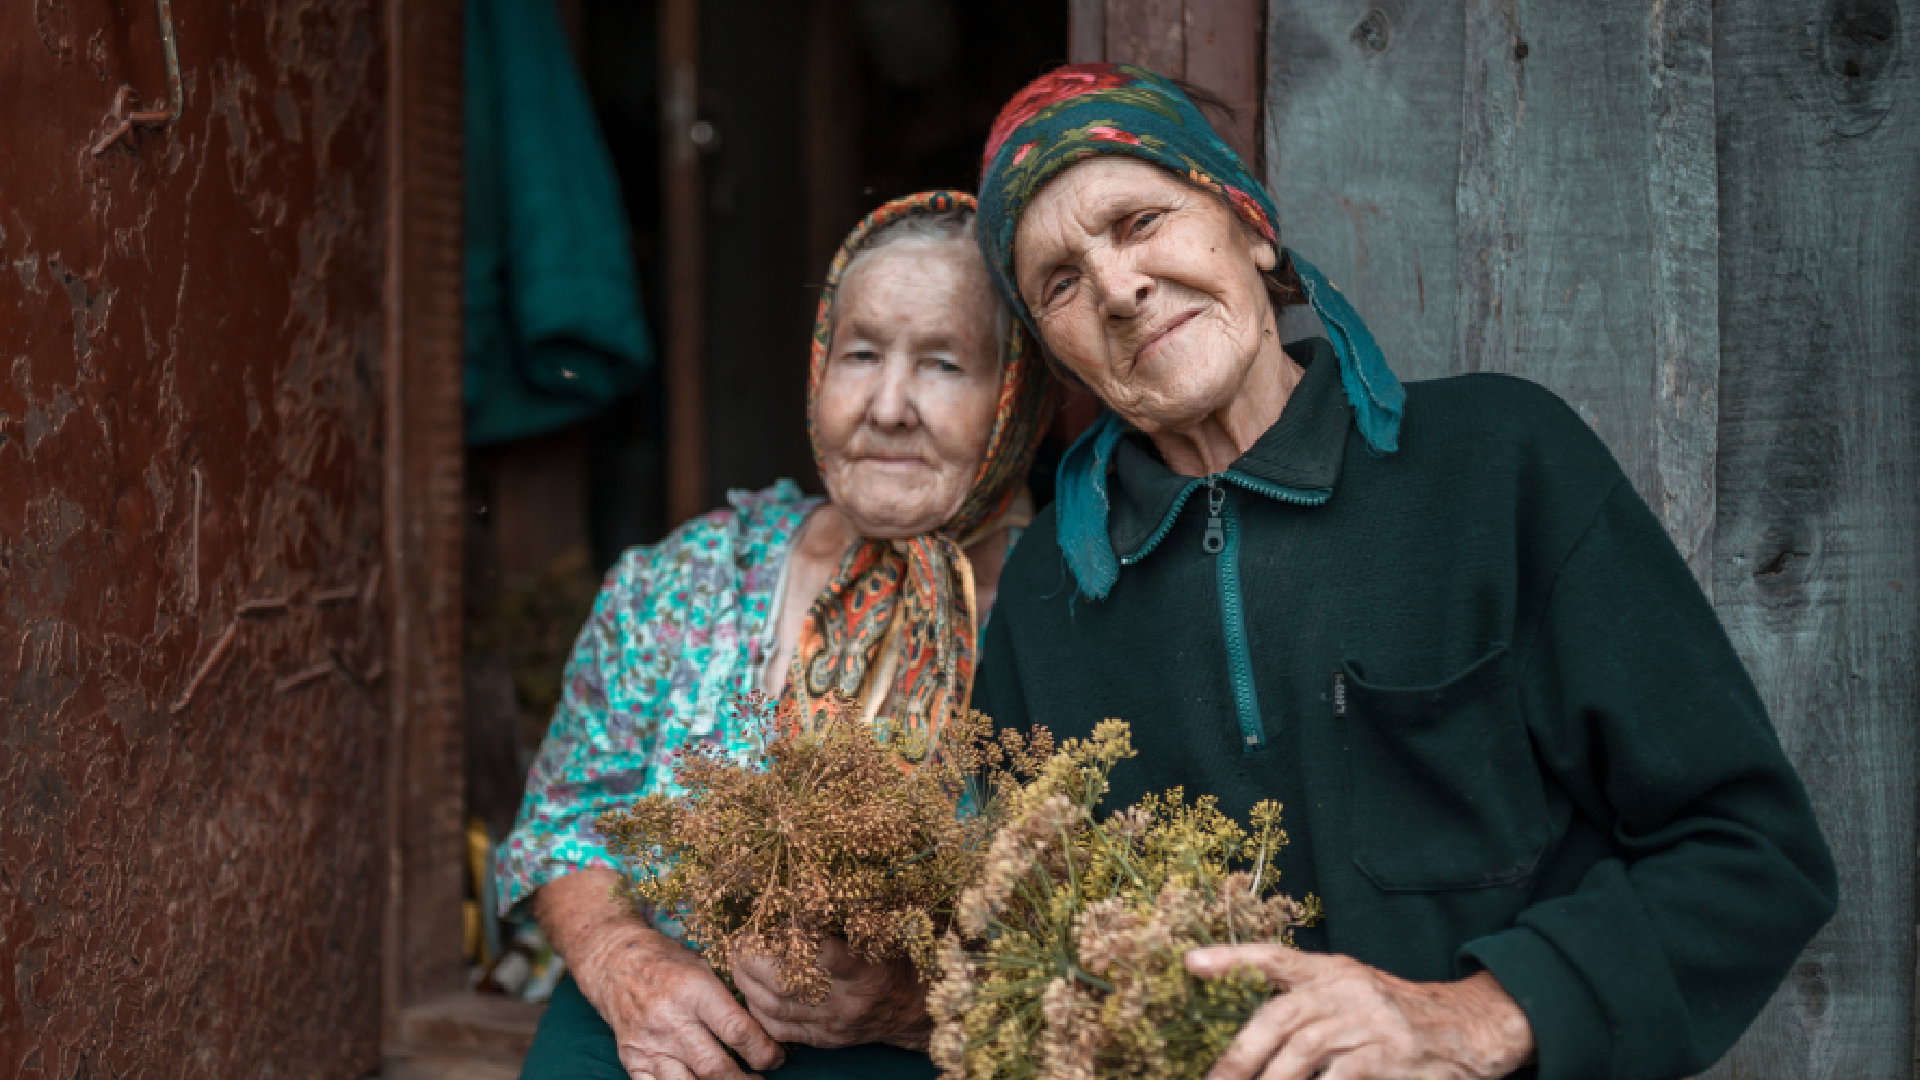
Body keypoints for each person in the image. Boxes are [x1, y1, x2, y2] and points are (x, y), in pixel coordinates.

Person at [967, 65, 1837, 1080]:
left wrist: (1473, 1016)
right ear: (1059, 354)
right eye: (1059, 283)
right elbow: (1014, 959)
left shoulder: (1497, 464)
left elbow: (1749, 853)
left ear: (1250, 227)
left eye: (1141, 220)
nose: (1118, 289)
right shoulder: (1047, 592)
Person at [496, 190, 1055, 1080]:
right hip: (656, 1035)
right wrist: (623, 962)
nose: (889, 404)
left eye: (945, 364)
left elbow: (1109, 928)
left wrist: (920, 1005)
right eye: (861, 353)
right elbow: (564, 825)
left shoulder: (1072, 607)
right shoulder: (684, 582)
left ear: (1018, 396)